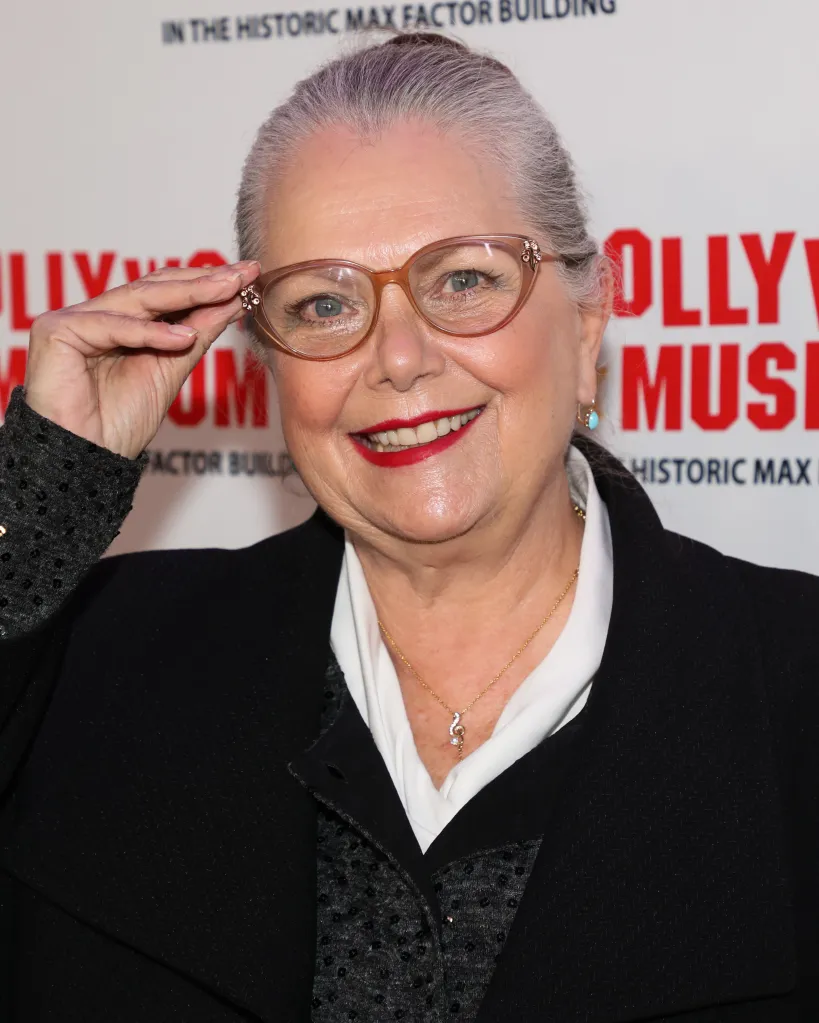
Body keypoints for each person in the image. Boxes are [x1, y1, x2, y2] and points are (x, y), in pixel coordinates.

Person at [0, 30, 816, 1023]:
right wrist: (38, 498)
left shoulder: (792, 684)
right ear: (270, 360)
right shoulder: (97, 660)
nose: (395, 357)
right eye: (323, 302)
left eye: (464, 280)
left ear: (590, 316)